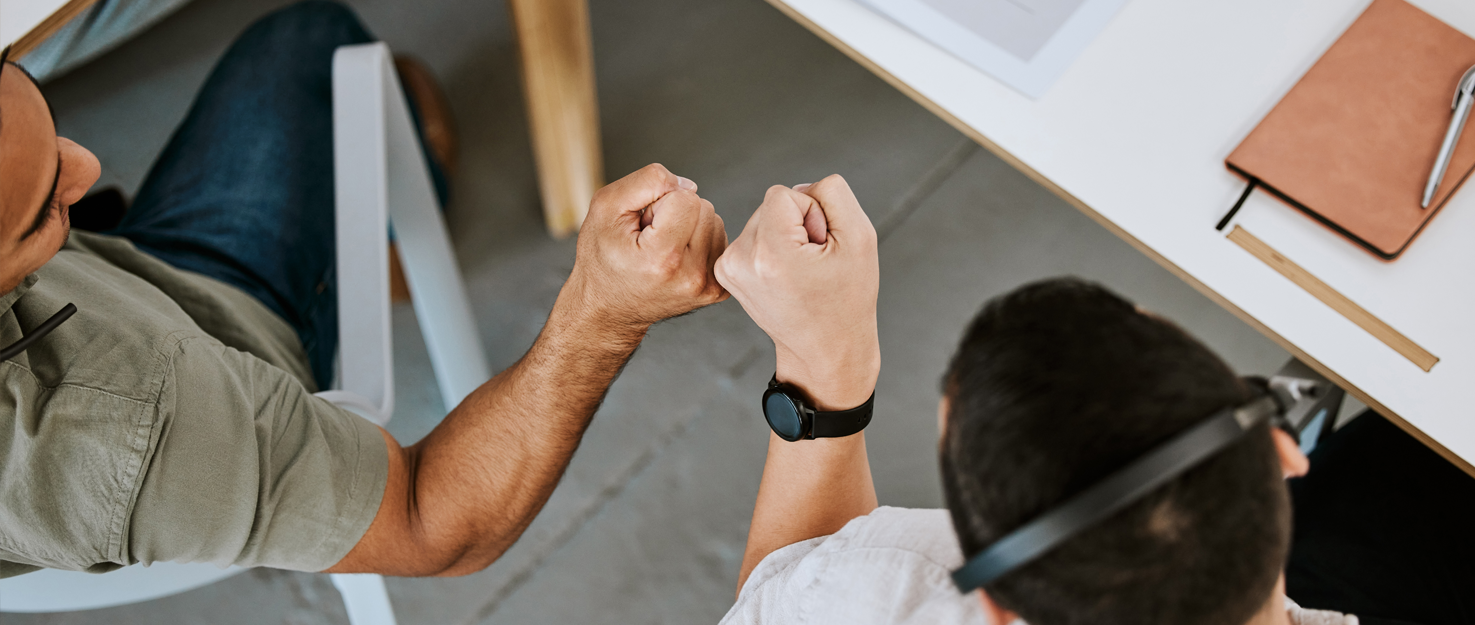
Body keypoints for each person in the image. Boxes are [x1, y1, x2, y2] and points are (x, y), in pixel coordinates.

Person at [0, 1, 728, 578]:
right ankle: (389, 238)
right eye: (43, 209)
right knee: (315, 42)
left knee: (302, 35)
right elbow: (430, 521)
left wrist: (51, 225)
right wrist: (605, 310)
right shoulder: (114, 424)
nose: (87, 163)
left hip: (117, 277)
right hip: (212, 353)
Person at [714, 177, 1475, 625]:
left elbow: (791, 589)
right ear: (1281, 451)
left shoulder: (885, 592)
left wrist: (825, 359)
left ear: (999, 610)